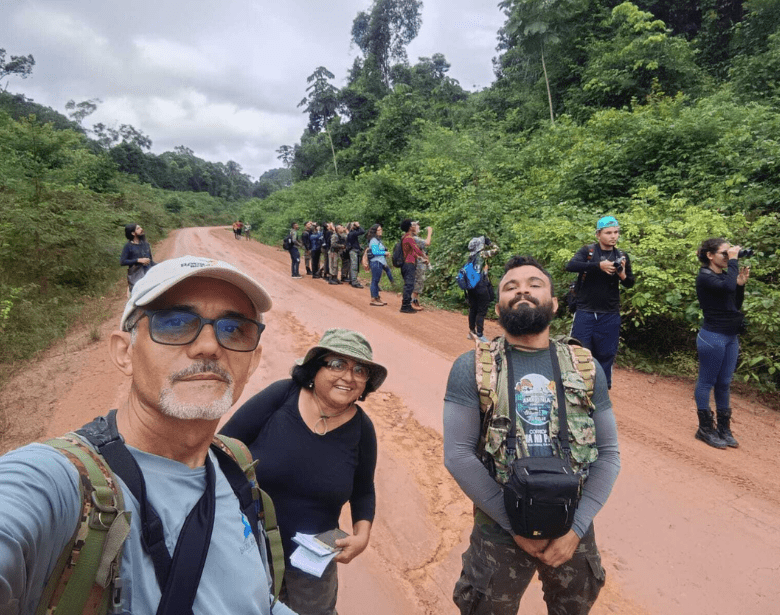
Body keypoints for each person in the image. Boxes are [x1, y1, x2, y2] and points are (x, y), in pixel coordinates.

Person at [0, 255, 296, 615]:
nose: (209, 347)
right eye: (174, 322)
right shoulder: (56, 483)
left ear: (252, 360)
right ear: (124, 352)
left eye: (234, 329)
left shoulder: (236, 466)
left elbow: (254, 600)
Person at [444, 255, 620, 615]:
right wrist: (514, 526)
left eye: (534, 284)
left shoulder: (585, 367)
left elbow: (609, 453)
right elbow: (458, 454)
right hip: (499, 527)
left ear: (554, 303)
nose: (522, 289)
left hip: (572, 523)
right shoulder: (473, 366)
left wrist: (577, 527)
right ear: (498, 307)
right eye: (511, 286)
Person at [221, 328, 385, 615]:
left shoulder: (362, 429)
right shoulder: (282, 396)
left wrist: (362, 536)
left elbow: (363, 491)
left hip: (315, 555)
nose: (349, 377)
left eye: (360, 370)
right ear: (314, 368)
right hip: (249, 543)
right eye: (337, 364)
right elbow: (223, 448)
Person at [565, 215, 635, 389]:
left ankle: (602, 389)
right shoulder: (588, 251)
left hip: (610, 312)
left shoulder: (621, 255)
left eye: (616, 232)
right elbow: (571, 266)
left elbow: (630, 283)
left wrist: (622, 274)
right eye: (608, 232)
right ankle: (578, 388)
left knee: (606, 354)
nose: (613, 236)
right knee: (579, 352)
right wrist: (598, 265)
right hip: (585, 310)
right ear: (598, 234)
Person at [693, 238, 750, 449]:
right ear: (710, 256)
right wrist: (734, 260)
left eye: (729, 253)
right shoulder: (705, 277)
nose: (728, 257)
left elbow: (734, 303)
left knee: (724, 382)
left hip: (730, 336)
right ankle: (705, 428)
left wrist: (740, 286)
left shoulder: (724, 276)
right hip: (712, 336)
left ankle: (723, 428)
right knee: (706, 381)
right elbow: (726, 289)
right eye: (724, 253)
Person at [465, 235, 499, 341]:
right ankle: (479, 334)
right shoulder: (482, 254)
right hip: (481, 286)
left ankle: (471, 332)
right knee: (481, 310)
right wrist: (490, 243)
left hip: (471, 287)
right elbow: (496, 250)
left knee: (473, 308)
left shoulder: (470, 257)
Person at [399, 219, 428, 314]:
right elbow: (416, 249)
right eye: (412, 225)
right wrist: (423, 256)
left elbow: (412, 252)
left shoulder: (405, 237)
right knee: (409, 285)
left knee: (409, 284)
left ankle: (407, 304)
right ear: (409, 227)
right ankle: (405, 306)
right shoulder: (409, 238)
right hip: (409, 264)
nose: (414, 226)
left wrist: (420, 258)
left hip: (408, 262)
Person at [120, 222, 155, 293]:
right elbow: (122, 262)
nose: (141, 229)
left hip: (149, 275)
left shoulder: (146, 244)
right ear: (133, 233)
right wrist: (138, 260)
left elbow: (151, 262)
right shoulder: (128, 246)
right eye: (138, 228)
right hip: (136, 278)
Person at [365, 224, 394, 306]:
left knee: (376, 281)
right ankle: (373, 299)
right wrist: (385, 252)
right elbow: (375, 252)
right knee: (375, 280)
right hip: (376, 262)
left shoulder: (378, 241)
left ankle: (377, 297)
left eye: (381, 229)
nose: (381, 231)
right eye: (379, 230)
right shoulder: (374, 240)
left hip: (380, 262)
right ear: (375, 231)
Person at [411, 221, 433, 310]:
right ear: (412, 227)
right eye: (416, 225)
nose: (418, 226)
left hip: (420, 262)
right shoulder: (414, 238)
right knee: (418, 281)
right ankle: (412, 301)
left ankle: (415, 301)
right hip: (418, 263)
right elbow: (427, 243)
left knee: (419, 282)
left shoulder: (415, 237)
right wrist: (430, 232)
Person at [346, 222, 366, 288]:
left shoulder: (351, 233)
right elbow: (362, 231)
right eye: (353, 225)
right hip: (353, 251)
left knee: (353, 265)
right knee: (354, 266)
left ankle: (352, 279)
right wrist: (358, 226)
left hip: (354, 251)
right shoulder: (352, 233)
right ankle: (354, 281)